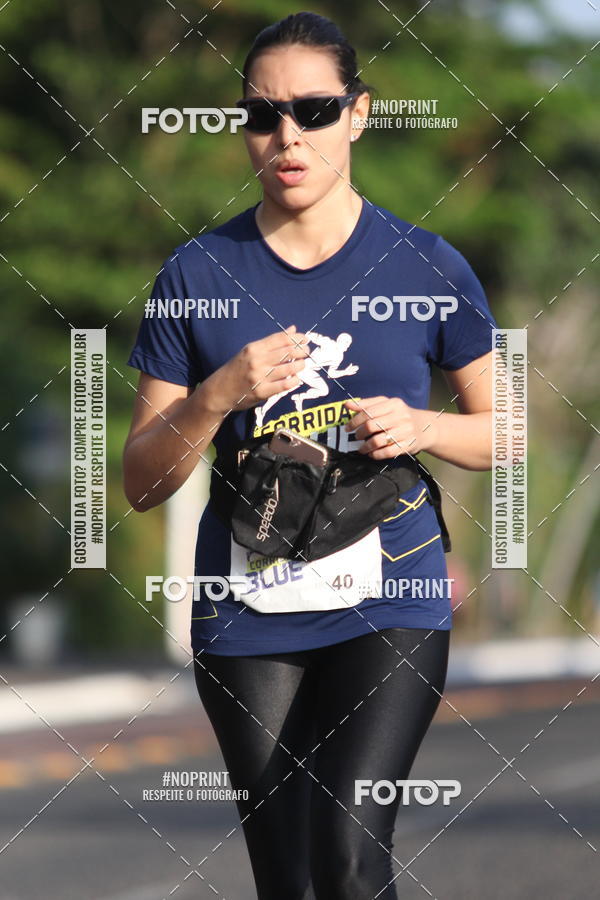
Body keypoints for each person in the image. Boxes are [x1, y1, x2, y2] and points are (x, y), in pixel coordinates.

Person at [123, 12, 496, 899]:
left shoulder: (426, 264)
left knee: (348, 851)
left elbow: (505, 429)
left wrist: (425, 427)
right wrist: (219, 395)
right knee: (288, 876)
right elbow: (142, 481)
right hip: (246, 596)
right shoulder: (196, 274)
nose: (288, 135)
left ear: (359, 114)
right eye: (262, 115)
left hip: (390, 587)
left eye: (316, 109)